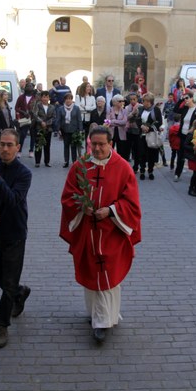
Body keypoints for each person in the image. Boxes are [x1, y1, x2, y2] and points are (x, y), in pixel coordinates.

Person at [59, 127, 142, 343]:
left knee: (108, 274)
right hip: (88, 231)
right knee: (91, 272)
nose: (96, 148)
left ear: (110, 144)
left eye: (101, 144)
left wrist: (111, 210)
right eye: (93, 144)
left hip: (112, 232)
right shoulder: (80, 166)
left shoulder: (122, 168)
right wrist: (81, 206)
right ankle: (98, 315)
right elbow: (68, 196)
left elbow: (131, 203)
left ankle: (103, 322)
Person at [0, 128, 33, 348]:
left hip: (15, 232)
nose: (4, 149)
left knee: (9, 281)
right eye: (2, 144)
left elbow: (13, 200)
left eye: (9, 145)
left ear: (17, 147)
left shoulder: (24, 173)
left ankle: (1, 325)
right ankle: (20, 292)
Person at [173, 91, 196, 182]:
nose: (185, 100)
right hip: (183, 135)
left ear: (192, 98)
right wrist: (180, 100)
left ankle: (195, 175)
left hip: (192, 136)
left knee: (193, 155)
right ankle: (177, 173)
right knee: (180, 155)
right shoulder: (185, 108)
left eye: (187, 98)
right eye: (184, 98)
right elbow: (175, 110)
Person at [134, 93, 162, 180]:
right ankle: (142, 171)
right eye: (143, 101)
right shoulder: (141, 109)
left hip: (151, 135)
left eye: (145, 101)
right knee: (142, 153)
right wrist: (141, 126)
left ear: (150, 102)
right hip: (142, 135)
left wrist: (149, 128)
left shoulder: (156, 110)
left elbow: (159, 122)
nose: (144, 103)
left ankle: (150, 171)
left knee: (151, 154)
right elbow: (137, 119)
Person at [59, 92, 83, 167]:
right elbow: (59, 120)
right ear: (64, 100)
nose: (68, 100)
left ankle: (74, 162)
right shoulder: (61, 108)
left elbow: (79, 120)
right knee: (66, 146)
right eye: (66, 99)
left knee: (73, 147)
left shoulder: (76, 108)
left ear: (72, 100)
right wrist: (58, 129)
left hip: (74, 130)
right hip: (64, 130)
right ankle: (66, 161)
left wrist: (80, 130)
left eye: (70, 99)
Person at [32, 91, 55, 168]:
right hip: (39, 127)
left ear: (49, 98)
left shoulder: (52, 107)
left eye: (47, 97)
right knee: (38, 145)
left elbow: (54, 117)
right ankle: (37, 162)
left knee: (47, 145)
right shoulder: (38, 105)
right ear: (41, 98)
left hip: (48, 128)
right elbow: (35, 115)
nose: (45, 99)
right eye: (44, 97)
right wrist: (41, 122)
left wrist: (47, 123)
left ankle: (47, 162)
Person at [15, 83, 36, 157]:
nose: (29, 87)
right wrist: (23, 112)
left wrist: (32, 113)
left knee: (33, 135)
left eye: (31, 86)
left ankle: (31, 150)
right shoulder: (21, 97)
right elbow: (16, 107)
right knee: (23, 135)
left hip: (33, 119)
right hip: (24, 119)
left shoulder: (35, 98)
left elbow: (37, 108)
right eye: (28, 86)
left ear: (33, 88)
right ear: (25, 88)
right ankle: (19, 151)